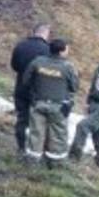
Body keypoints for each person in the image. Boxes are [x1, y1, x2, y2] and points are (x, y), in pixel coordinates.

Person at [20, 38, 79, 167]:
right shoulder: (68, 67)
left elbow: (25, 81)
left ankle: (32, 160)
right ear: (62, 52)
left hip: (38, 103)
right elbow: (74, 86)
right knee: (58, 134)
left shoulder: (37, 62)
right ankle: (55, 162)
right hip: (58, 107)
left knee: (36, 132)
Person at [10, 24, 51, 156]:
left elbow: (14, 65)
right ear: (46, 34)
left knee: (22, 118)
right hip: (38, 90)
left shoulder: (21, 45)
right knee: (37, 121)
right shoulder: (48, 50)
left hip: (21, 87)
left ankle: (21, 147)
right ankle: (35, 150)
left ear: (33, 32)